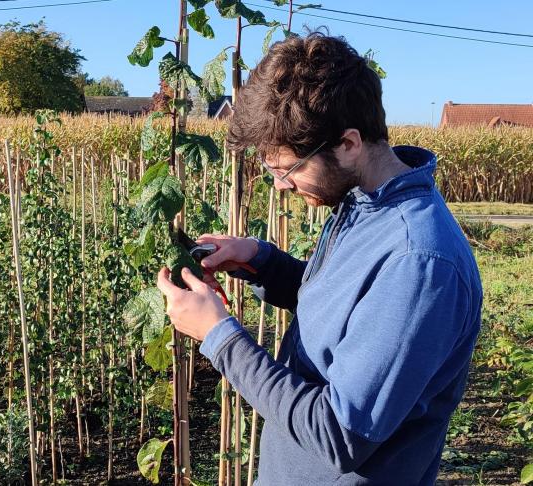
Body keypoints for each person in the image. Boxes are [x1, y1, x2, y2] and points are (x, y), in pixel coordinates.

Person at [156, 32, 482, 485]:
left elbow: (339, 434)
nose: (281, 185)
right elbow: (348, 308)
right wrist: (260, 261)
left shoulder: (421, 263)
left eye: (286, 169)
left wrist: (219, 336)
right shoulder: (364, 204)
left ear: (349, 143)